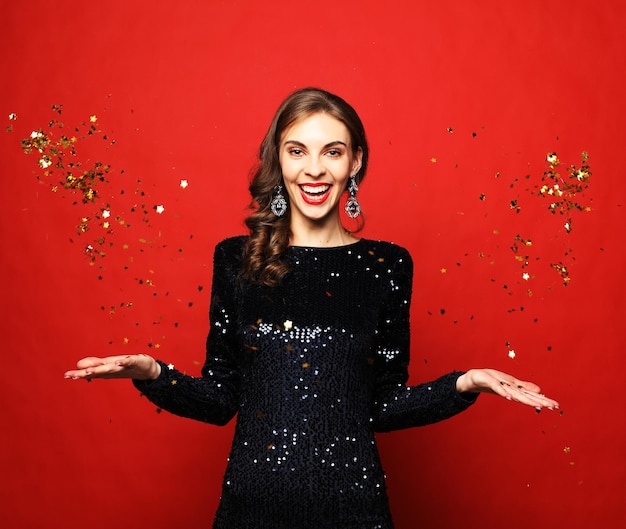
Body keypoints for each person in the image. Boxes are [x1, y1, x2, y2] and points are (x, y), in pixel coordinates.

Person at [64, 88, 559, 529]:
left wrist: (463, 383)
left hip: (354, 509)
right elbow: (220, 399)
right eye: (297, 151)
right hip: (251, 508)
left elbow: (382, 407)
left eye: (333, 152)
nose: (315, 169)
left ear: (355, 162)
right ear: (278, 161)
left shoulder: (386, 265)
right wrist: (153, 373)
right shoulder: (236, 259)